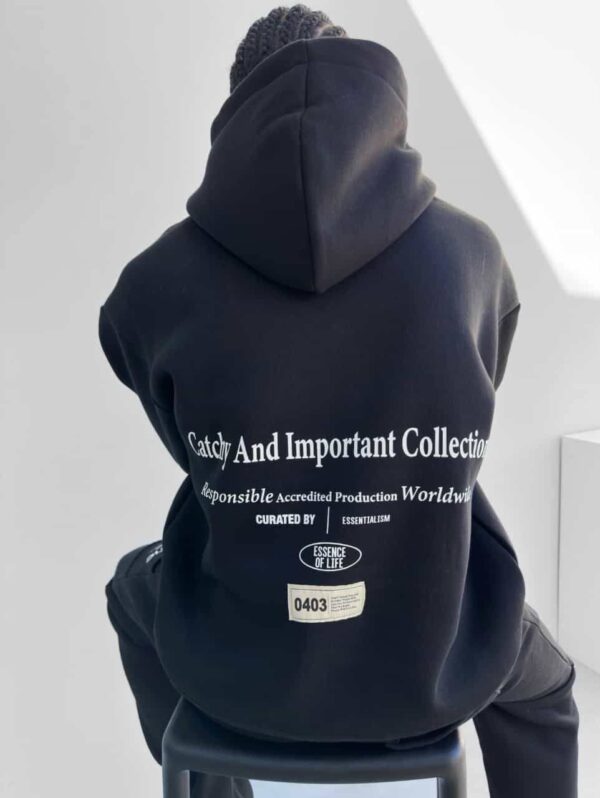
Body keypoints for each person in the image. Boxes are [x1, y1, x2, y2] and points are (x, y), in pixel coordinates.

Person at [99, 5, 579, 797]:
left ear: (239, 105)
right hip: (434, 655)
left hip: (240, 663)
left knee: (132, 590)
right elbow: (470, 406)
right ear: (371, 92)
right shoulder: (473, 257)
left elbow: (188, 444)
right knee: (547, 689)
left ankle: (216, 782)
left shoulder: (154, 280)